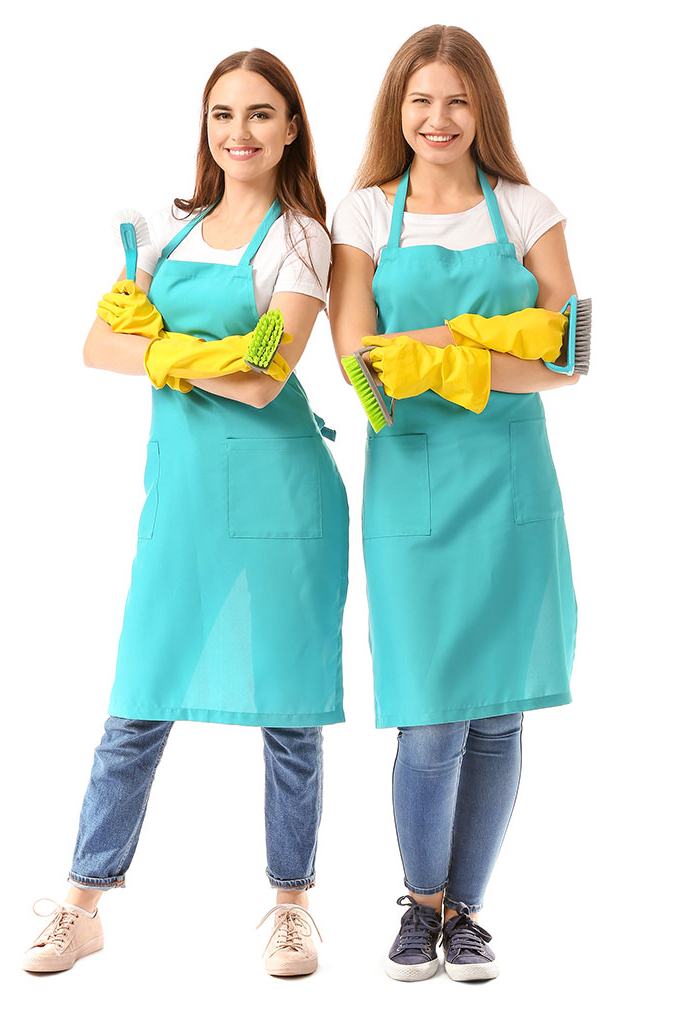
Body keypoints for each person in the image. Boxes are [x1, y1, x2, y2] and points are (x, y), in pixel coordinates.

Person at [21, 48, 348, 978]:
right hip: (184, 496)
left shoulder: (302, 240)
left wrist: (159, 343)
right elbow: (95, 346)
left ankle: (292, 907)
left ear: (291, 128)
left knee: (288, 708)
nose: (238, 133)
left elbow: (264, 378)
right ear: (205, 129)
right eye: (221, 116)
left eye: (258, 115)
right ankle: (82, 903)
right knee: (140, 698)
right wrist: (177, 349)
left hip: (280, 495)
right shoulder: (168, 227)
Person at [329, 24, 579, 982]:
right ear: (399, 109)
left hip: (513, 485)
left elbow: (570, 358)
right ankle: (419, 904)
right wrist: (491, 346)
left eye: (458, 101)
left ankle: (468, 913)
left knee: (499, 717)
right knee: (431, 716)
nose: (439, 119)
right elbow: (358, 367)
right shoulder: (361, 215)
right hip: (413, 487)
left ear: (485, 110)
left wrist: (440, 345)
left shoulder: (527, 209)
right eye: (421, 100)